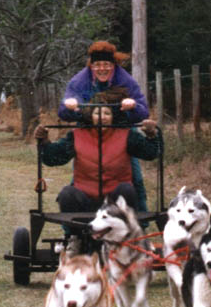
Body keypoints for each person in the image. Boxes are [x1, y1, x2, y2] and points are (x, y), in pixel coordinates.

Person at [34, 99, 162, 250]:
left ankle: (132, 236)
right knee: (67, 193)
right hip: (86, 200)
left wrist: (152, 135)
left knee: (127, 189)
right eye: (97, 113)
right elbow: (53, 158)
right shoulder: (77, 136)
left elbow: (151, 153)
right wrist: (44, 142)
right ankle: (75, 238)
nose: (102, 117)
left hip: (114, 203)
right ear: (90, 116)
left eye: (107, 113)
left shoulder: (127, 135)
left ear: (113, 116)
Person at [58, 40, 149, 213]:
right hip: (87, 135)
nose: (102, 69)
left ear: (113, 65)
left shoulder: (125, 80)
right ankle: (71, 231)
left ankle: (140, 226)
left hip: (120, 135)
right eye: (97, 65)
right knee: (79, 180)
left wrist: (133, 106)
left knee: (134, 178)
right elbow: (63, 111)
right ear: (91, 66)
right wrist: (70, 106)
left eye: (106, 64)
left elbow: (143, 112)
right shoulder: (79, 81)